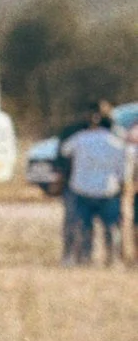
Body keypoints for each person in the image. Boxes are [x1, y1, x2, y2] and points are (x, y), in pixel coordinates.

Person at [60, 104, 131, 266]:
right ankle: (113, 259)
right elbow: (123, 172)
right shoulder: (117, 144)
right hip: (108, 190)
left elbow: (65, 151)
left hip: (81, 189)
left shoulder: (79, 139)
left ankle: (84, 258)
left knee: (84, 228)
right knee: (112, 229)